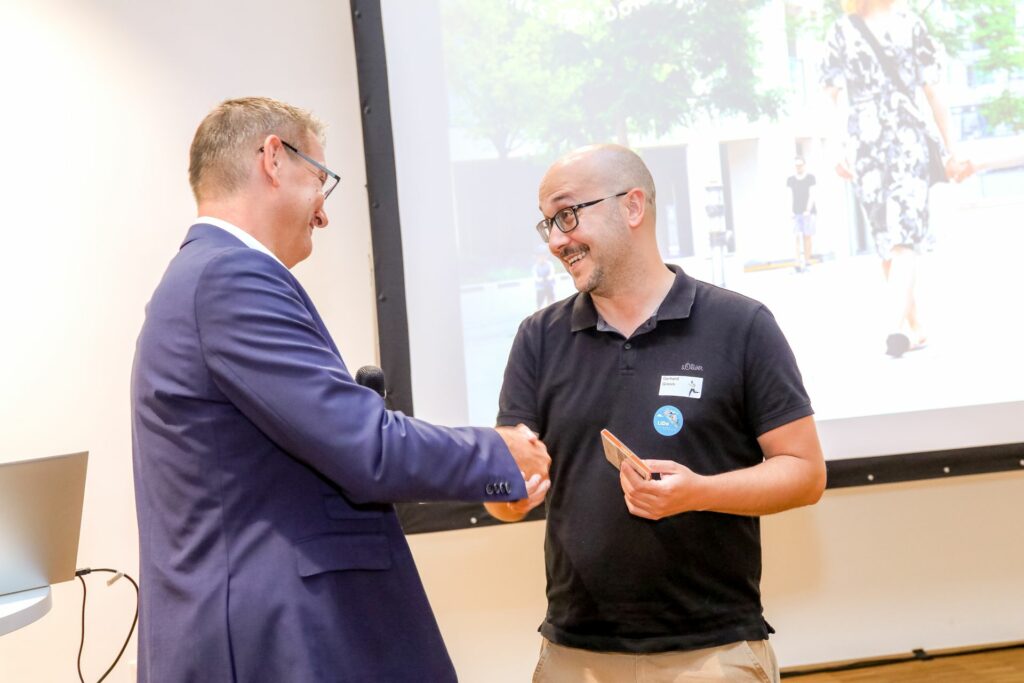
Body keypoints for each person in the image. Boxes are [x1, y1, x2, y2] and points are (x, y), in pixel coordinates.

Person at [130, 97, 550, 683]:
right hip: (272, 642)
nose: (324, 214)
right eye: (321, 181)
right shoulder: (229, 277)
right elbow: (364, 445)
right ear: (273, 158)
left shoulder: (204, 275)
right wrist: (500, 456)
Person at [486, 144, 826, 683]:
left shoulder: (741, 325)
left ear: (633, 206)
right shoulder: (538, 338)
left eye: (568, 215)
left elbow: (805, 474)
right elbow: (505, 486)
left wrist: (699, 492)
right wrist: (506, 494)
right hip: (576, 654)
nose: (556, 240)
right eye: (547, 223)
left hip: (714, 652)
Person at [822, 0, 969, 357]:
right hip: (865, 147)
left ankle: (892, 328)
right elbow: (831, 96)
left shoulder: (912, 25)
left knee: (904, 234)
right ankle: (914, 327)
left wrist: (953, 149)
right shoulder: (841, 30)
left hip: (908, 139)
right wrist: (836, 147)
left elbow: (934, 92)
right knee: (885, 240)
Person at [786, 156, 817, 272]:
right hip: (796, 212)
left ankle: (807, 261)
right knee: (796, 236)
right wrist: (790, 210)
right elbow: (789, 196)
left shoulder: (810, 178)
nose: (798, 167)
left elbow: (812, 194)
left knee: (807, 236)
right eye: (796, 165)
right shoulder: (791, 180)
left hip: (808, 212)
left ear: (804, 165)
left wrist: (808, 210)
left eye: (800, 165)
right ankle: (797, 262)